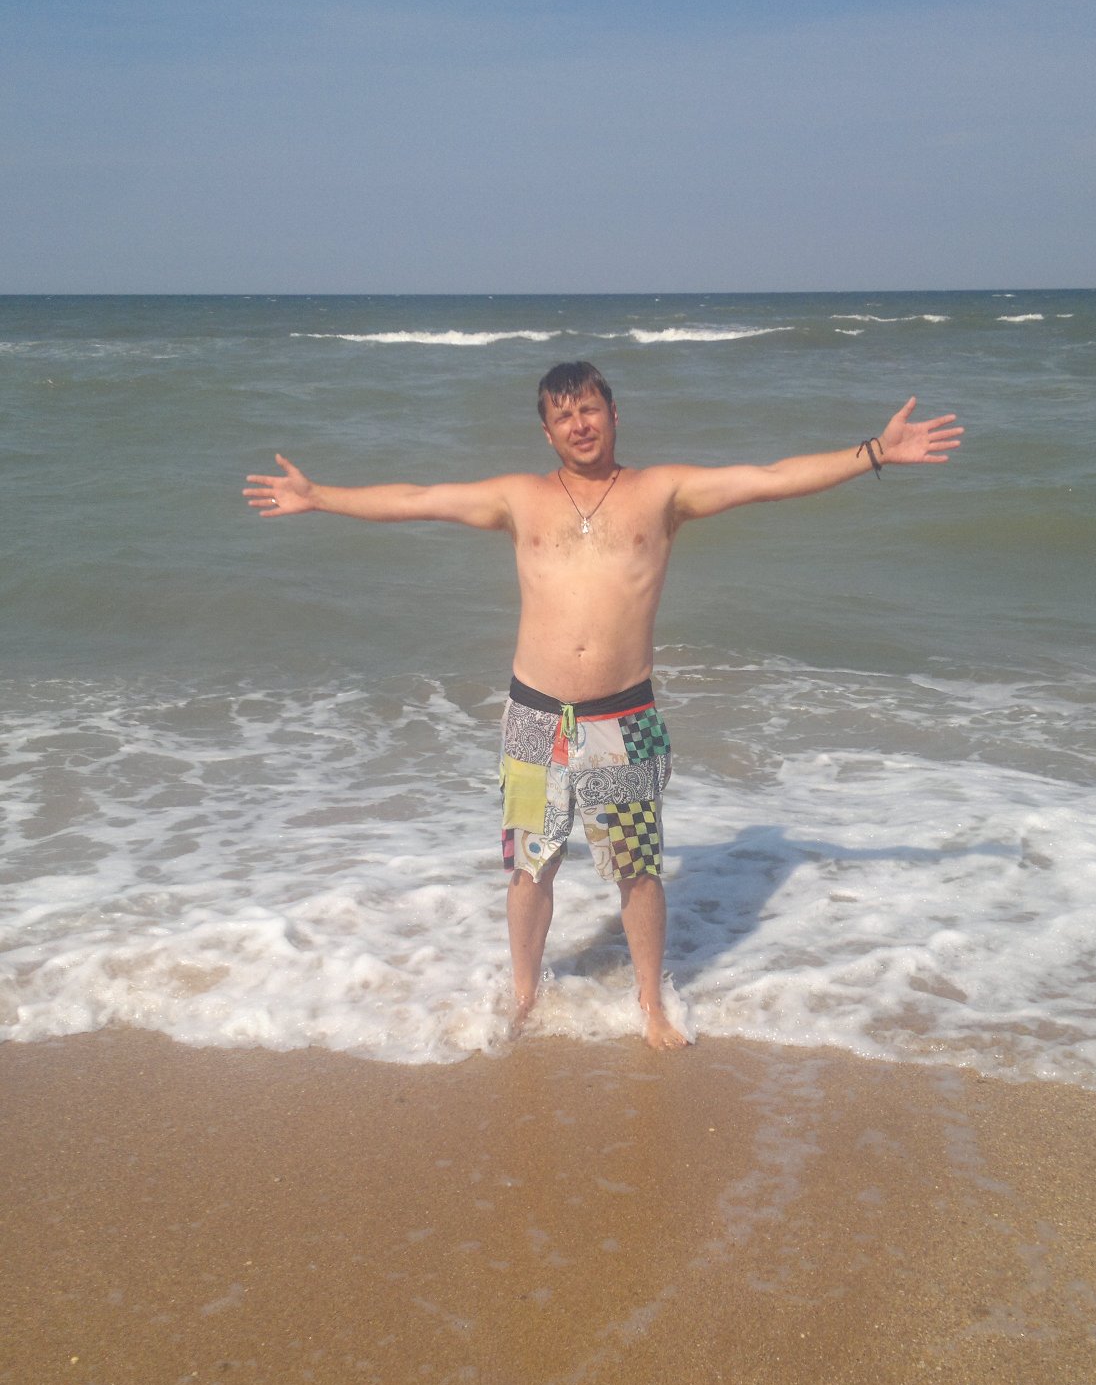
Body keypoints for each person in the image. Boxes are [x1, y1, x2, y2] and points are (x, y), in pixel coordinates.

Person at [244, 360, 962, 1048]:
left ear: (614, 413)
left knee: (638, 871)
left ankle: (651, 1001)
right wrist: (319, 496)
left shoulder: (662, 492)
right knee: (530, 869)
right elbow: (417, 499)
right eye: (563, 416)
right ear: (546, 432)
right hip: (534, 721)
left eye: (589, 409)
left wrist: (874, 452)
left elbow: (769, 480)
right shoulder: (518, 497)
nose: (579, 424)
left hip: (623, 720)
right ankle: (524, 994)